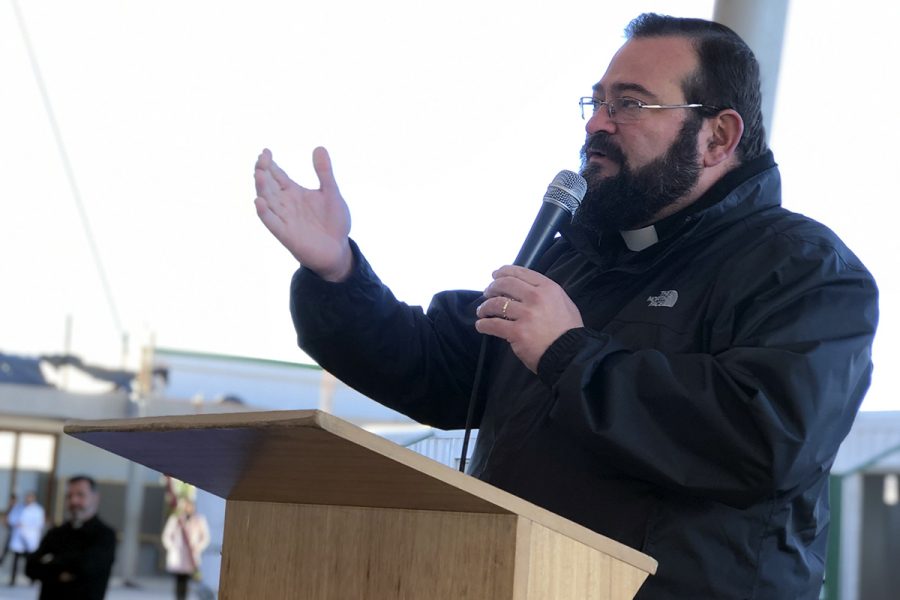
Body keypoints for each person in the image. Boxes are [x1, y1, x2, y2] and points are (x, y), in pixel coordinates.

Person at [253, 13, 878, 600]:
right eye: (597, 102)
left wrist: (570, 355)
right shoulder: (575, 259)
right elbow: (439, 369)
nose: (597, 125)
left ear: (718, 135)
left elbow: (769, 438)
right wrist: (335, 270)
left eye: (629, 103)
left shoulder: (802, 268)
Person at [26, 475, 116, 600]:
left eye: (80, 495)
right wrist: (64, 570)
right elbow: (30, 567)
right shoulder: (55, 533)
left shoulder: (105, 535)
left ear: (95, 498)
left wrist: (51, 562)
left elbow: (86, 568)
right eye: (69, 496)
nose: (74, 501)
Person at [161, 498, 210, 600]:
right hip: (178, 555)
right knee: (179, 580)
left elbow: (205, 537)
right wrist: (172, 547)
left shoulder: (199, 519)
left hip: (191, 554)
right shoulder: (176, 519)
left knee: (187, 580)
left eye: (189, 506)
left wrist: (198, 547)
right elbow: (166, 536)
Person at [7, 491, 44, 586]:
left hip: (30, 538)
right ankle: (12, 579)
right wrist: (16, 523)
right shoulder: (18, 507)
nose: (28, 499)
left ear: (34, 498)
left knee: (30, 560)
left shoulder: (38, 510)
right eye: (27, 497)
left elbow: (39, 523)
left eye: (30, 497)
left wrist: (26, 525)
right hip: (18, 538)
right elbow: (11, 518)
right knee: (15, 560)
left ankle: (32, 579)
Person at [0, 493, 19, 565]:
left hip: (13, 532)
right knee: (5, 547)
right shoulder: (9, 509)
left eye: (13, 501)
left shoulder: (17, 510)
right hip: (7, 531)